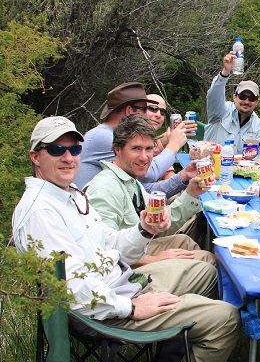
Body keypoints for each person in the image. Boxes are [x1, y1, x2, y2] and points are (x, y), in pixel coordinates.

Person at [12, 116, 240, 362]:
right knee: (226, 318)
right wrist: (130, 307)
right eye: (56, 149)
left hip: (120, 282)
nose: (68, 157)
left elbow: (110, 243)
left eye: (75, 149)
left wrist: (143, 230)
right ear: (35, 156)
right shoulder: (40, 212)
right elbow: (72, 288)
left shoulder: (68, 194)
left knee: (208, 273)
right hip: (103, 310)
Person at [85, 114, 214, 268]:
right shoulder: (105, 188)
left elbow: (159, 222)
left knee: (196, 250)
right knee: (208, 270)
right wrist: (153, 259)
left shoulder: (131, 180)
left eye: (149, 149)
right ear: (117, 150)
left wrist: (191, 193)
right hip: (125, 273)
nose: (144, 157)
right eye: (136, 149)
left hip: (140, 250)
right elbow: (101, 251)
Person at [74, 82, 192, 189]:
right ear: (130, 111)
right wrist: (174, 145)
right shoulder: (104, 137)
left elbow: (143, 190)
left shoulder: (112, 134)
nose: (148, 114)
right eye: (145, 109)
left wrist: (183, 176)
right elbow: (149, 173)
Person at [205, 51, 260, 156]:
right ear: (235, 97)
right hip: (212, 168)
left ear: (257, 102)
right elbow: (214, 95)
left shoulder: (259, 126)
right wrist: (225, 71)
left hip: (242, 171)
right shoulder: (220, 111)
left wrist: (258, 156)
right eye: (243, 96)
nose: (246, 101)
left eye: (251, 98)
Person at [146, 93, 176, 181]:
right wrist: (174, 144)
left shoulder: (151, 137)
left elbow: (167, 172)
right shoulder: (128, 137)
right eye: (153, 109)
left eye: (162, 112)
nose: (158, 115)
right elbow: (146, 176)